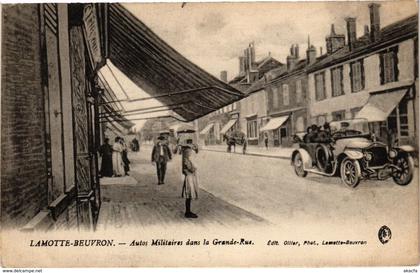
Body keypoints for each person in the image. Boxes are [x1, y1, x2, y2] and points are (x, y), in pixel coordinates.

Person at [181, 145, 199, 218]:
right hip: (189, 177)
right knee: (189, 193)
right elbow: (191, 168)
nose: (190, 153)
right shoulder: (186, 160)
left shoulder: (185, 158)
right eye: (189, 151)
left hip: (190, 176)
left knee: (189, 193)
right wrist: (194, 168)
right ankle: (187, 212)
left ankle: (188, 211)